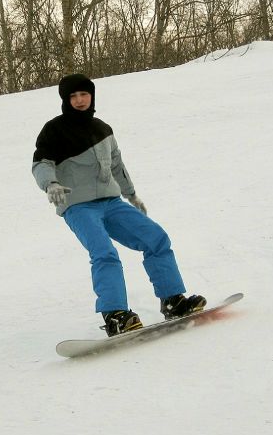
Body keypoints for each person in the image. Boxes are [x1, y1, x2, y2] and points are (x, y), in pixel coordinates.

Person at [32, 73, 206, 336]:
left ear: (92, 96)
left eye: (84, 94)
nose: (79, 100)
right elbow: (41, 163)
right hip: (78, 205)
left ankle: (173, 300)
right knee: (104, 252)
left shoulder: (102, 129)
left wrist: (131, 195)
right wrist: (51, 184)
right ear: (66, 100)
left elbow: (116, 165)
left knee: (156, 238)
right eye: (73, 96)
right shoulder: (54, 130)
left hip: (111, 202)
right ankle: (115, 314)